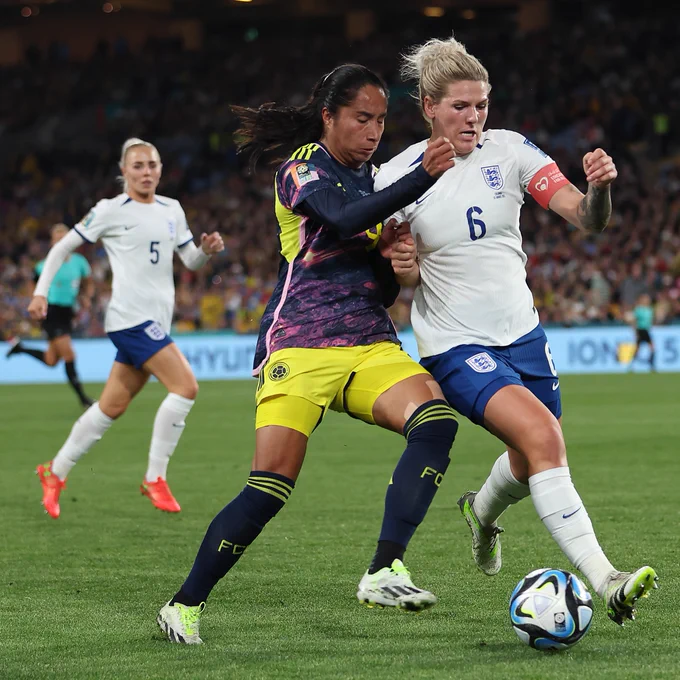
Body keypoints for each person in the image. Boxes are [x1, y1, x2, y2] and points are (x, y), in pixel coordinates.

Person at [156, 64, 459, 645]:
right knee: (270, 485)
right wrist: (418, 178)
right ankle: (184, 604)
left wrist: (398, 266)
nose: (374, 131)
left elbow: (379, 284)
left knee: (435, 420)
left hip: (369, 342)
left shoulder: (374, 179)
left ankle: (383, 569)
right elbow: (343, 218)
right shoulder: (301, 169)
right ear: (330, 117)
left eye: (381, 121)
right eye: (361, 118)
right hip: (299, 343)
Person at [376, 37, 658, 626]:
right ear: (428, 106)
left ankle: (480, 514)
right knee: (544, 440)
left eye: (481, 104)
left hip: (524, 335)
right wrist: (398, 269)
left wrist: (600, 190)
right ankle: (606, 581)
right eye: (460, 106)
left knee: (531, 456)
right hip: (455, 345)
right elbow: (385, 273)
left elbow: (585, 219)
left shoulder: (509, 150)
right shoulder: (397, 174)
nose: (474, 117)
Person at [27, 138, 224, 519]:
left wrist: (206, 251)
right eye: (138, 166)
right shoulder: (109, 210)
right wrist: (41, 293)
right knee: (185, 387)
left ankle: (55, 471)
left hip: (155, 320)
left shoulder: (172, 209)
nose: (146, 172)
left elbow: (190, 261)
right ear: (124, 171)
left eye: (152, 165)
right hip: (130, 319)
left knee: (110, 407)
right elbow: (60, 249)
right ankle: (155, 477)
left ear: (161, 168)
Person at [6, 223, 95, 407]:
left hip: (67, 312)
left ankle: (21, 348)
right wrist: (35, 300)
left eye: (65, 238)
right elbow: (33, 284)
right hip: (51, 312)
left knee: (51, 360)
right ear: (53, 242)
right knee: (69, 355)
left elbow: (87, 282)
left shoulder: (80, 262)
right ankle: (83, 399)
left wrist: (86, 296)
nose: (61, 242)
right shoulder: (43, 265)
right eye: (57, 239)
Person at [629, 293, 656, 371]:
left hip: (646, 330)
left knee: (652, 348)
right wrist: (635, 332)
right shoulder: (638, 310)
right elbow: (634, 321)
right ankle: (632, 364)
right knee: (638, 348)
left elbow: (651, 321)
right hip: (641, 330)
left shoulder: (650, 310)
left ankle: (651, 364)